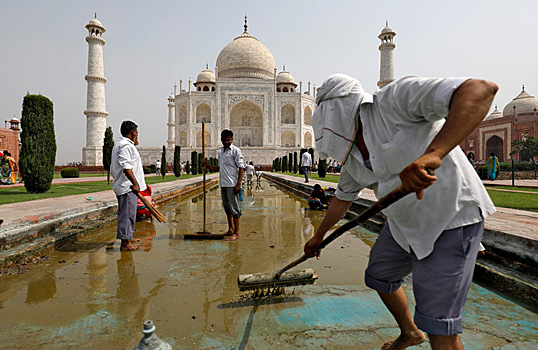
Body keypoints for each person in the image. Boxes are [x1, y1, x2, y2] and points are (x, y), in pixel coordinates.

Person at [304, 74, 497, 350]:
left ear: (336, 108)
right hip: (403, 225)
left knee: (439, 327)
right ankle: (410, 332)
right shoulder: (352, 156)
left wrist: (434, 154)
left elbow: (480, 90)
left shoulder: (394, 101)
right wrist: (318, 236)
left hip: (449, 217)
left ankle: (427, 330)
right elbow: (342, 199)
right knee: (379, 275)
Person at [111, 120, 147, 251]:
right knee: (126, 215)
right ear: (132, 133)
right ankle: (125, 244)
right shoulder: (125, 146)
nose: (138, 135)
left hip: (127, 186)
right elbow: (126, 167)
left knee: (130, 214)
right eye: (137, 132)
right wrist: (135, 184)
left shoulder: (123, 145)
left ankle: (128, 237)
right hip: (127, 187)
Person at [205, 129, 245, 241]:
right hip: (223, 184)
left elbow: (241, 168)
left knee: (235, 209)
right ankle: (230, 229)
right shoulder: (221, 151)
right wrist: (208, 166)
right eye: (224, 140)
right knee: (227, 208)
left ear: (232, 139)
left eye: (228, 140)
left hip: (232, 184)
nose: (226, 142)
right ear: (221, 140)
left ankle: (236, 233)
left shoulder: (236, 151)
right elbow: (220, 168)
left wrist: (238, 184)